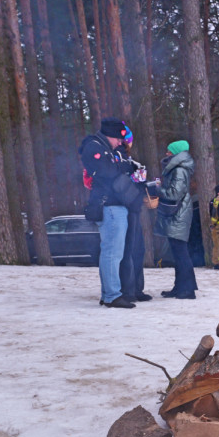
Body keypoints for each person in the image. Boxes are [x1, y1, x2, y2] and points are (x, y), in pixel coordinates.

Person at [79, 117, 140, 308]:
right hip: (110, 207)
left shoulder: (103, 147)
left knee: (112, 253)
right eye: (118, 138)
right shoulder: (95, 147)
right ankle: (112, 295)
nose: (120, 143)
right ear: (111, 135)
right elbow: (107, 172)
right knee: (113, 253)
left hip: (113, 206)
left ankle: (109, 294)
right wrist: (126, 167)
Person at [156, 140, 197, 299]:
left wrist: (157, 189)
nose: (166, 153)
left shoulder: (179, 170)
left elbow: (174, 194)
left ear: (176, 153)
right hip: (179, 213)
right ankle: (180, 287)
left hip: (178, 213)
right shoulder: (179, 168)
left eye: (169, 151)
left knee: (180, 252)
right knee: (178, 251)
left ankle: (187, 290)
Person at [116, 125, 152, 303]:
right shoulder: (120, 160)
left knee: (136, 250)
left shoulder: (131, 162)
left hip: (133, 209)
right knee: (129, 251)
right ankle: (129, 290)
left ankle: (136, 289)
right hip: (126, 209)